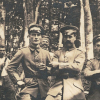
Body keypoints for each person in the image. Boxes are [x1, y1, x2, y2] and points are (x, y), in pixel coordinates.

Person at [6, 24, 51, 100]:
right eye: (33, 35)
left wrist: (46, 69)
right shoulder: (23, 51)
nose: (36, 37)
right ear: (29, 36)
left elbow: (52, 69)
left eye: (38, 35)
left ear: (41, 37)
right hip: (29, 86)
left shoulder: (46, 53)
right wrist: (18, 80)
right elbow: (10, 67)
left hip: (44, 87)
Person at [46, 25, 86, 100]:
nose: (67, 39)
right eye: (65, 37)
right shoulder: (57, 53)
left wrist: (59, 65)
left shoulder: (79, 53)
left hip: (74, 88)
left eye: (70, 37)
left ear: (75, 37)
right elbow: (53, 70)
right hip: (57, 87)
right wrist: (68, 67)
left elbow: (77, 67)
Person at [84, 34, 100, 100]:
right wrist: (97, 71)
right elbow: (86, 73)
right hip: (96, 89)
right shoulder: (91, 61)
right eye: (98, 46)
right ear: (95, 47)